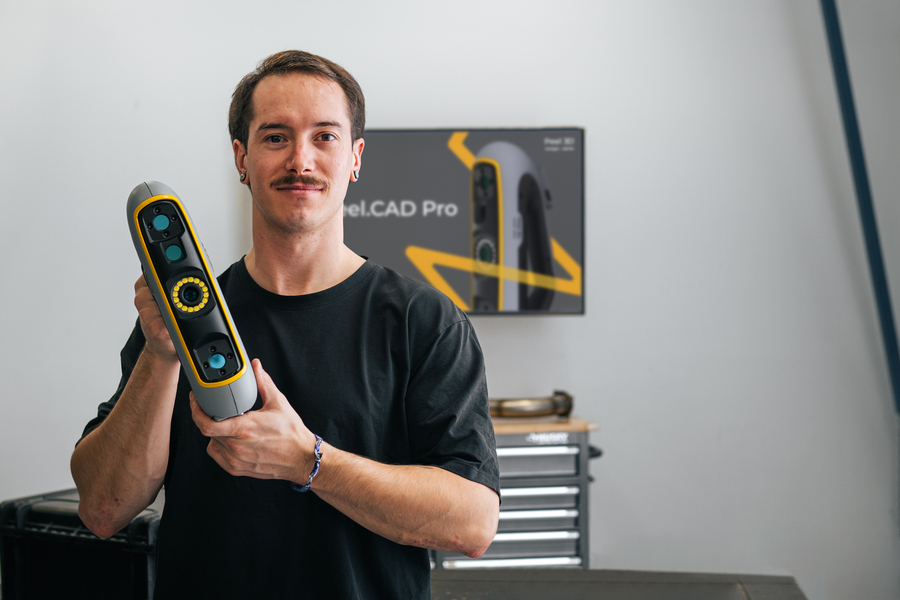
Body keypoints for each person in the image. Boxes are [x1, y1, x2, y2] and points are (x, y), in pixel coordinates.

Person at [71, 50, 500, 599]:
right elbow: (102, 509)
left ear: (355, 157)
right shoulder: (183, 317)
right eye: (275, 137)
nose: (301, 159)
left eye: (325, 136)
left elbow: (472, 522)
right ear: (241, 158)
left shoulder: (423, 321)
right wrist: (160, 354)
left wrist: (307, 461)